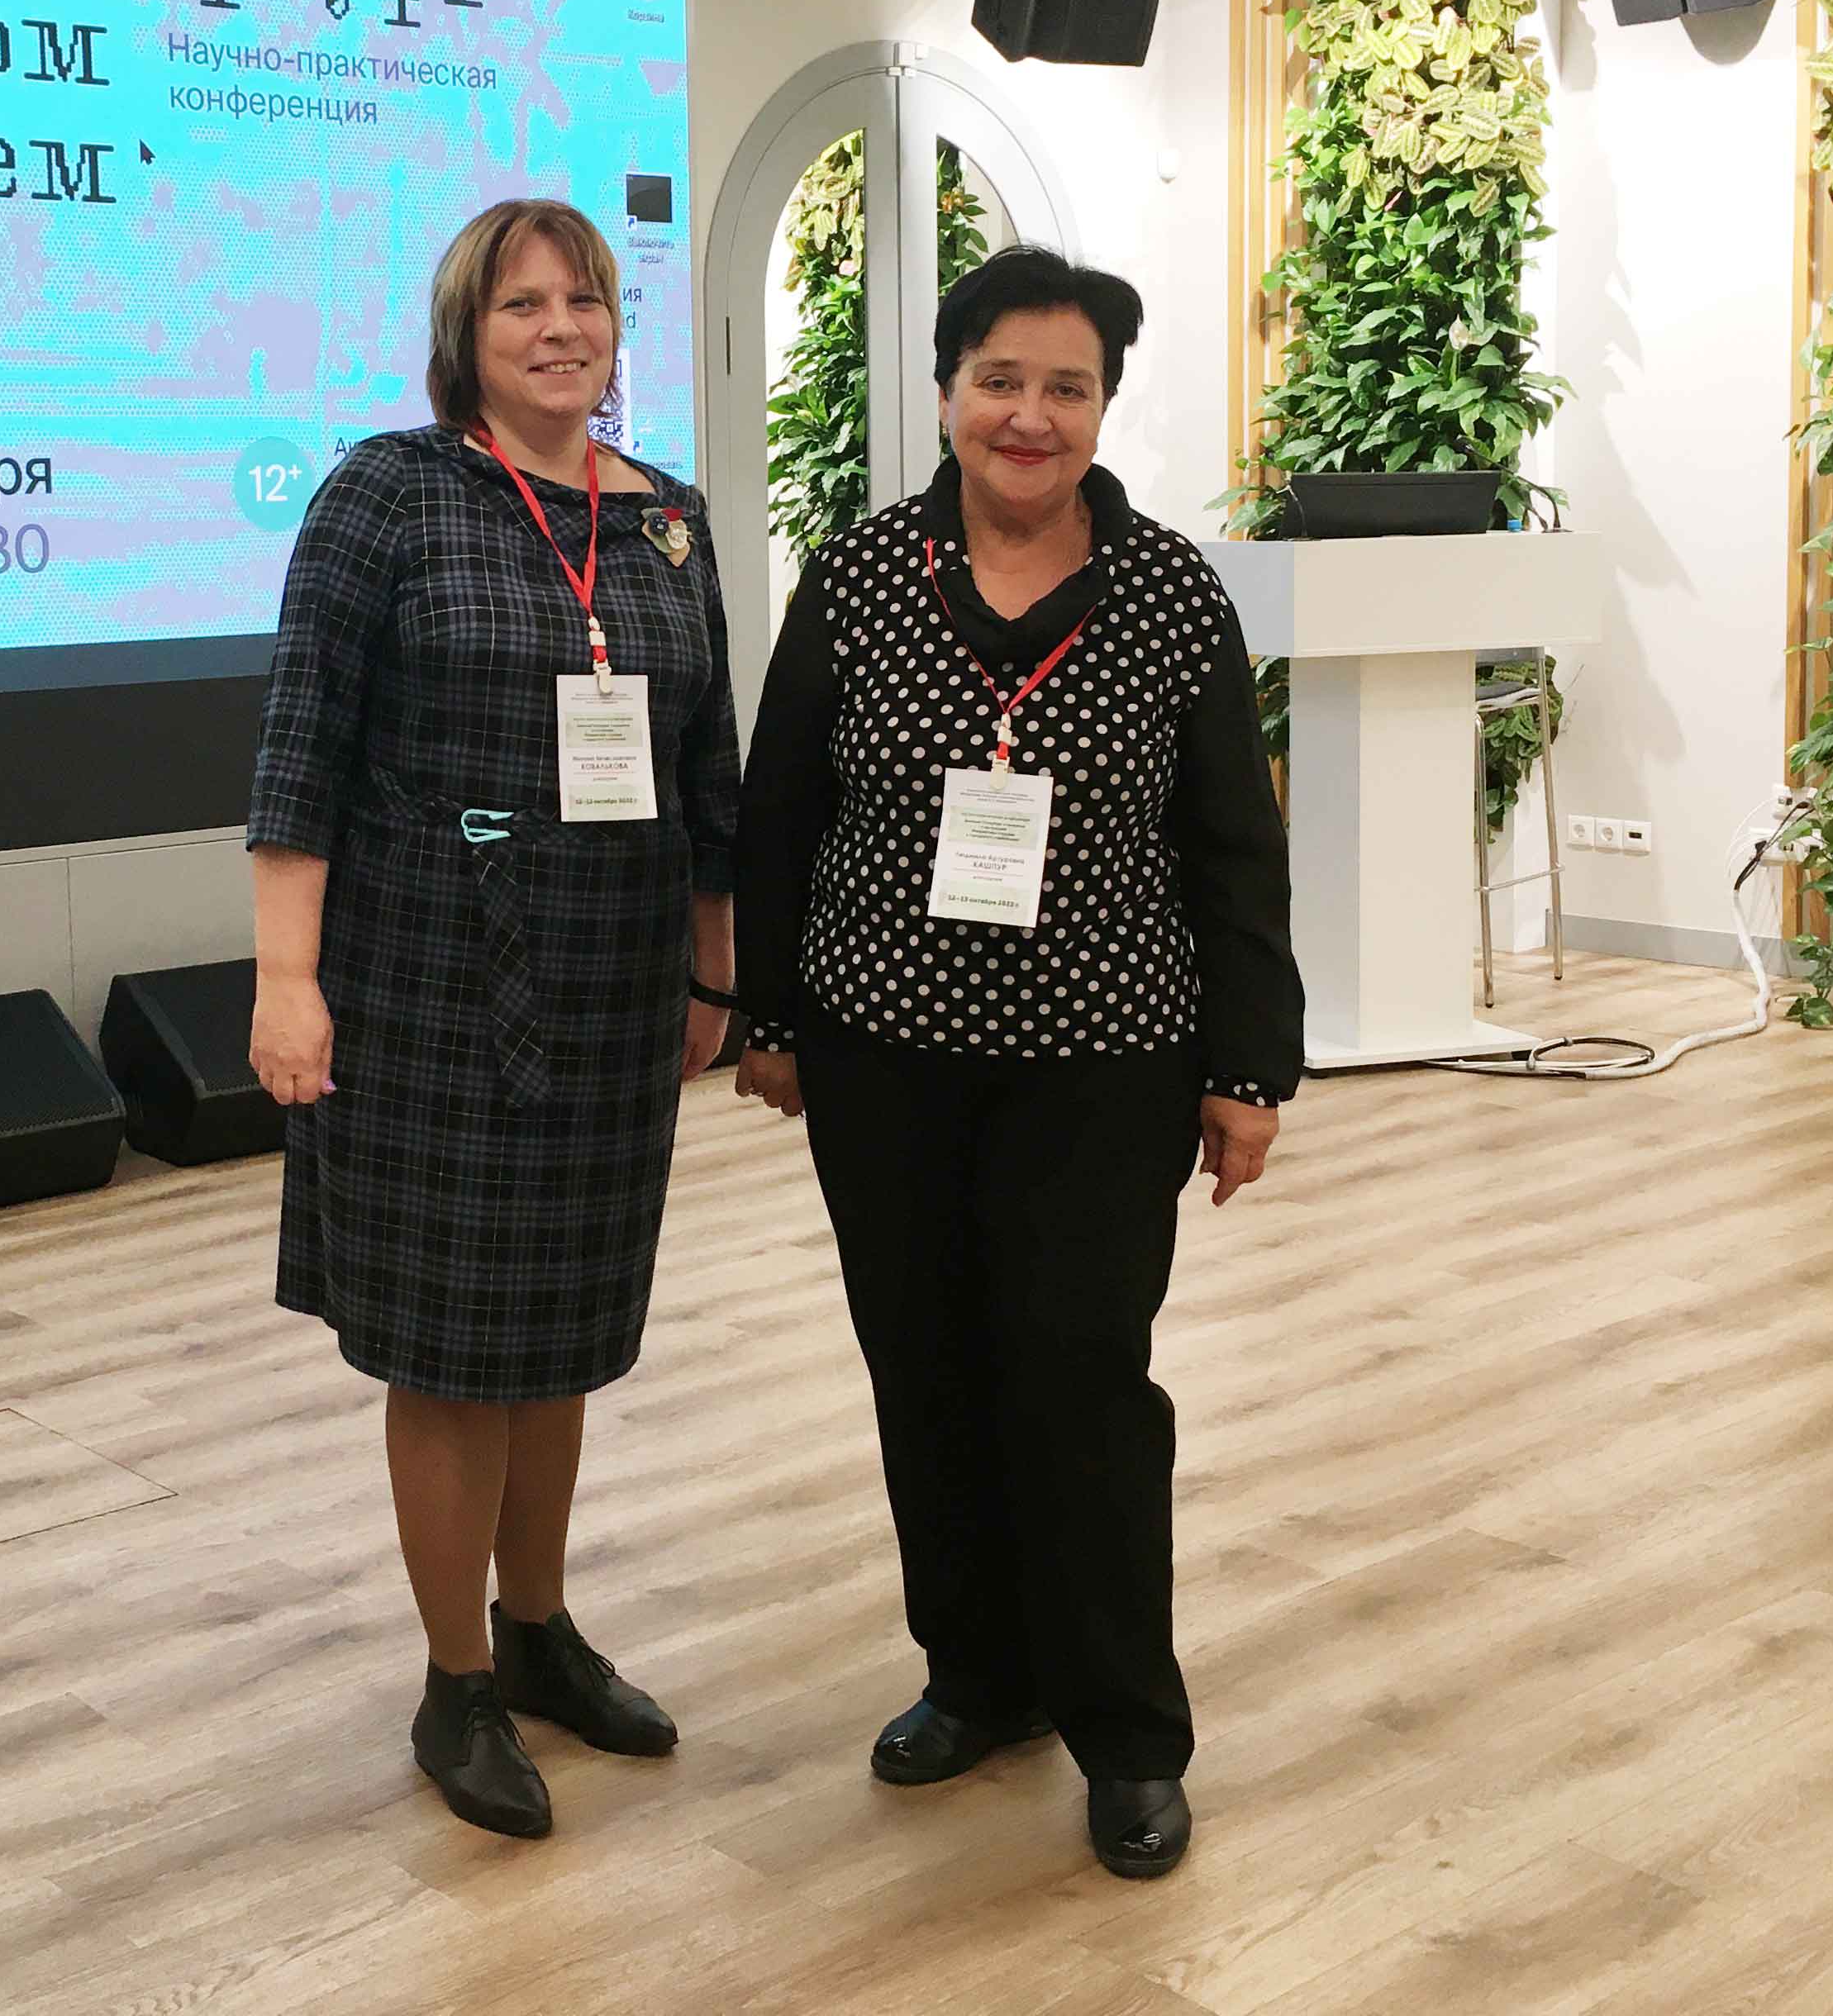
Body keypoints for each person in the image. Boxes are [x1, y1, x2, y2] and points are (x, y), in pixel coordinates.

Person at [732, 242, 1302, 1880]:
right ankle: (977, 1678)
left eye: (1067, 386)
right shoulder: (860, 577)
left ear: (1104, 407)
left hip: (1105, 1060)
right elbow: (783, 810)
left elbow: (1232, 847)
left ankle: (1126, 1733)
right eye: (1001, 380)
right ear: (945, 394)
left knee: (1080, 1382)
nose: (1030, 416)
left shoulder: (1171, 595)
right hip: (883, 1058)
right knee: (924, 1371)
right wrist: (771, 1015)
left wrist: (1250, 1066)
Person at [248, 197, 741, 1841]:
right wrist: (287, 979)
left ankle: (538, 1632)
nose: (561, 327)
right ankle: (455, 1678)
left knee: (563, 1331)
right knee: (456, 1348)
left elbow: (708, 772)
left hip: (610, 989)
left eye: (584, 299)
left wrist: (714, 970)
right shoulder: (391, 493)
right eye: (522, 303)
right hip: (426, 984)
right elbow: (301, 747)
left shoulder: (667, 524)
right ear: (465, 332)